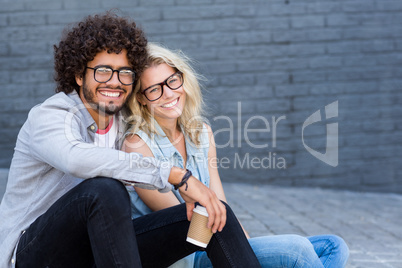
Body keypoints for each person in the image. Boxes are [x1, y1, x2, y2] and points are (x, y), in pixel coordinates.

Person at [0, 12, 262, 268]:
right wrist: (178, 176)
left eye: (124, 72)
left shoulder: (123, 122)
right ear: (79, 75)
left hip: (101, 248)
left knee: (212, 214)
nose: (115, 82)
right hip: (33, 255)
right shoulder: (51, 115)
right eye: (103, 71)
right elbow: (75, 158)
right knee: (103, 189)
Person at [122, 42, 350, 268]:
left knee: (334, 246)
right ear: (140, 98)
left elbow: (221, 205)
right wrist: (244, 250)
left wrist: (247, 251)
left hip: (221, 241)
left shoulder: (201, 132)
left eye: (172, 81)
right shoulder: (137, 145)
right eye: (154, 89)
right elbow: (185, 222)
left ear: (182, 79)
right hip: (188, 255)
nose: (169, 93)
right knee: (298, 251)